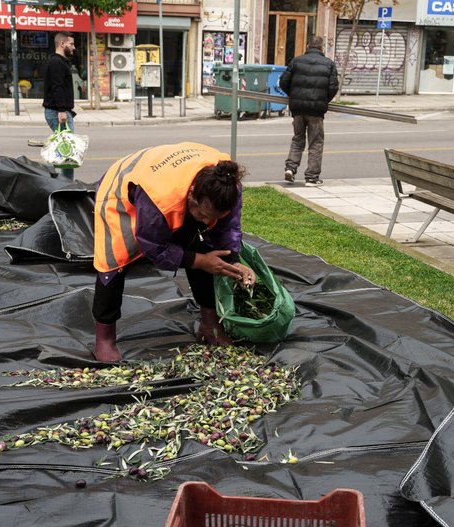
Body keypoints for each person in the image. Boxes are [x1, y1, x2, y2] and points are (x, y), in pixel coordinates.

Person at [91, 143, 257, 362]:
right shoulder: (160, 199)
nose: (207, 220)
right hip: (119, 192)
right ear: (190, 195)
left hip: (168, 180)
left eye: (213, 215)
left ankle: (209, 325)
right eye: (201, 212)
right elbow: (153, 246)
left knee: (206, 246)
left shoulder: (228, 188)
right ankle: (104, 340)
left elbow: (228, 227)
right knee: (113, 261)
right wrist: (198, 261)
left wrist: (234, 260)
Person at [279, 35, 339, 187]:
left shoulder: (296, 61)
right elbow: (333, 87)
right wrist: (323, 100)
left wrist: (293, 96)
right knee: (316, 142)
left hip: (298, 109)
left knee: (298, 139)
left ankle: (290, 168)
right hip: (316, 111)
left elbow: (283, 81)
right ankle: (312, 177)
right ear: (321, 48)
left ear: (307, 46)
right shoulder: (329, 64)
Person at [42, 31, 77, 179]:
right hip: (58, 112)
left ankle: (63, 181)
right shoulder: (56, 63)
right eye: (71, 44)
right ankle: (65, 183)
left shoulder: (59, 62)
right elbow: (57, 87)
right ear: (62, 44)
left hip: (59, 111)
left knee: (65, 151)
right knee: (68, 152)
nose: (74, 47)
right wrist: (62, 111)